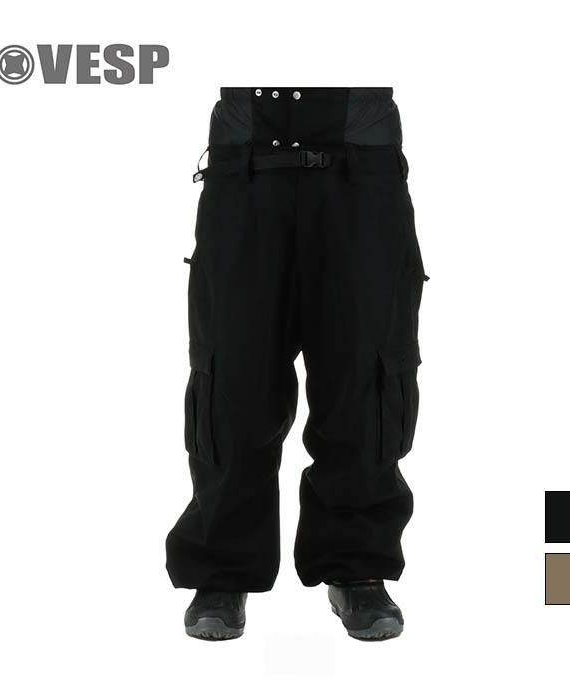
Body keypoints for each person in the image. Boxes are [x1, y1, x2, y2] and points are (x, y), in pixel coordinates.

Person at [166, 87, 427, 641]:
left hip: (362, 164)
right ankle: (222, 571)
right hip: (246, 162)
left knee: (367, 377)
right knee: (232, 377)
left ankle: (357, 567)